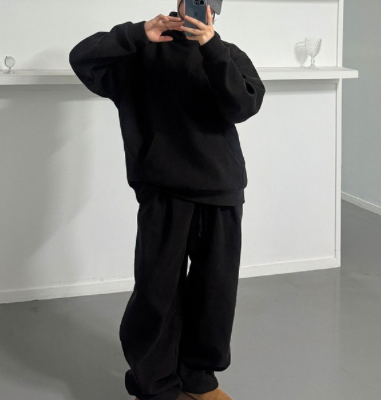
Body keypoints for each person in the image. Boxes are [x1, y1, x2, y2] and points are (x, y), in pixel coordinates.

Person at [69, 1, 265, 399]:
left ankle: (198, 379)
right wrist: (136, 33)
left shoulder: (228, 54)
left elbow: (244, 105)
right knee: (156, 292)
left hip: (221, 188)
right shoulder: (141, 51)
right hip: (162, 188)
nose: (197, 6)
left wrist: (211, 47)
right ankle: (155, 385)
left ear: (215, 10)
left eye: (206, 2)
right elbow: (82, 59)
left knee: (215, 293)